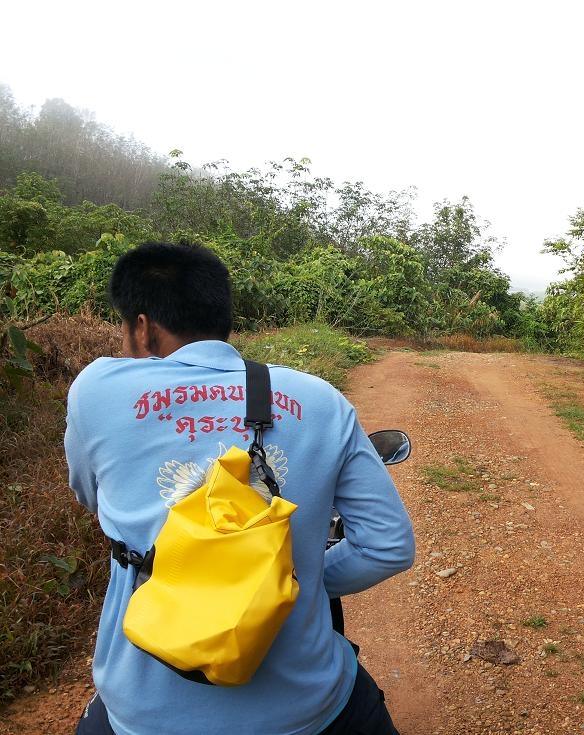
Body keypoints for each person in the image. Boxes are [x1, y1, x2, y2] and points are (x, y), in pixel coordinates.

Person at [68, 241, 415, 735]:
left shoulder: (95, 391)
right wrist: (285, 581)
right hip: (306, 709)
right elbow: (389, 546)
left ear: (141, 327)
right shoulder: (318, 399)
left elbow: (90, 496)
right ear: (221, 313)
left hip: (143, 713)